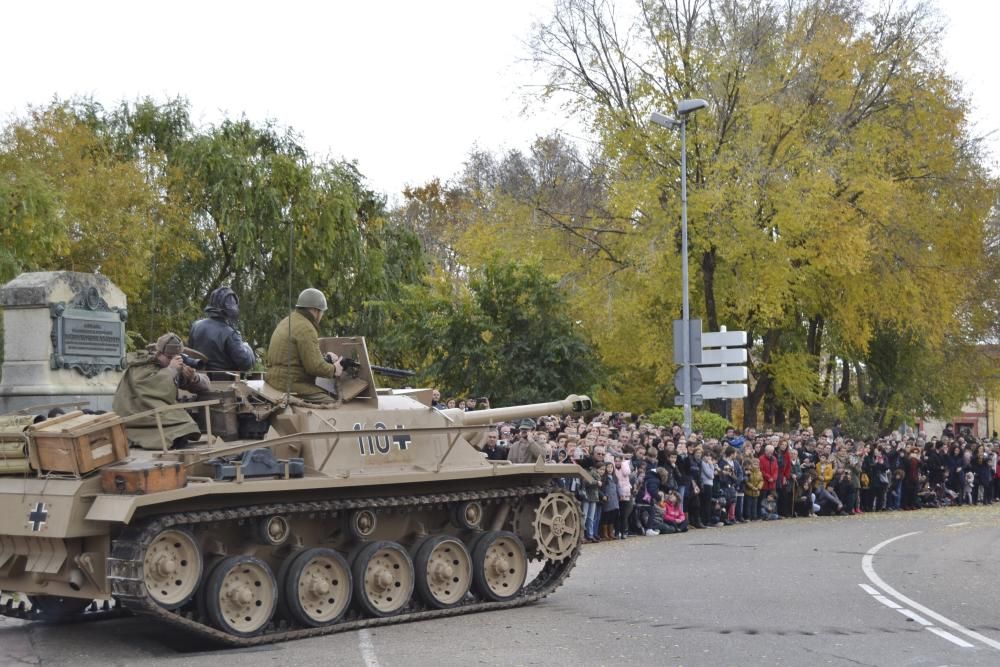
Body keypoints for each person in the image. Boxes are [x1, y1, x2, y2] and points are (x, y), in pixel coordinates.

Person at [113, 332, 210, 450]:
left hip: (155, 414)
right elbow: (153, 388)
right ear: (158, 353)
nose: (172, 360)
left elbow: (205, 386)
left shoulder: (169, 366)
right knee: (181, 426)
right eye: (169, 357)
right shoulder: (141, 366)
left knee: (187, 426)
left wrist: (194, 377)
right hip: (136, 417)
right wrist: (171, 370)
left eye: (176, 357)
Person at [265, 288, 344, 402]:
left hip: (274, 379)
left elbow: (297, 357)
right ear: (316, 311)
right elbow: (314, 367)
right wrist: (334, 369)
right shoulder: (306, 328)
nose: (322, 316)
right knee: (331, 403)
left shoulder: (288, 320)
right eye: (322, 312)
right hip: (290, 383)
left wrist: (325, 359)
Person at [187, 286, 255, 380]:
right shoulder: (230, 334)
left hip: (198, 380)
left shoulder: (196, 326)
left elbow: (190, 354)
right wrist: (247, 347)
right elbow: (246, 364)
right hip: (223, 384)